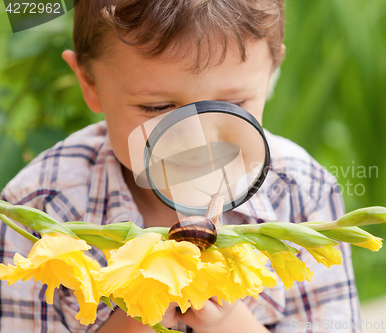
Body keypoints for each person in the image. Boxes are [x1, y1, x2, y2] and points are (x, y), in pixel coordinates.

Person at [0, 0, 362, 332]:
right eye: (157, 108)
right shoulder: (39, 203)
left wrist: (229, 324)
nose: (197, 138)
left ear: (270, 74)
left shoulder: (302, 191)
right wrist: (139, 314)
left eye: (233, 102)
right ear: (89, 83)